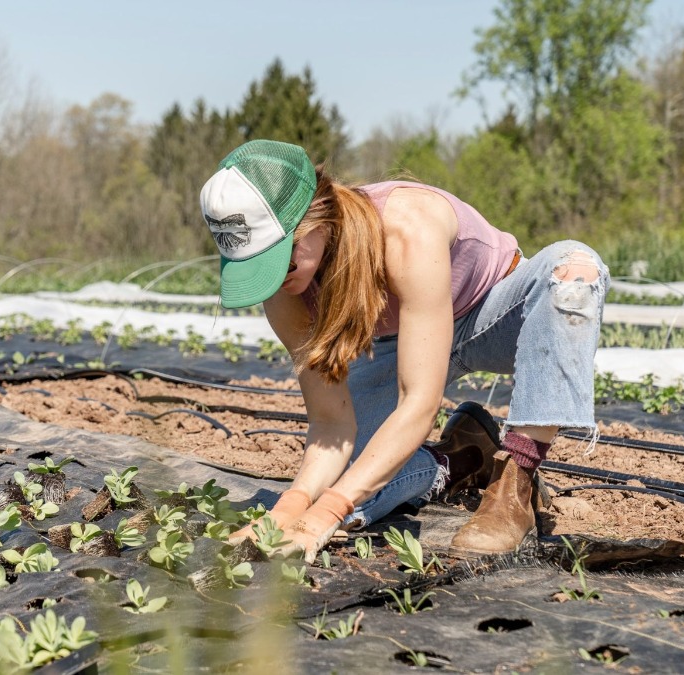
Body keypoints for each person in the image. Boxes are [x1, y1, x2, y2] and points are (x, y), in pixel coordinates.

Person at [200, 139, 609, 562]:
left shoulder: (405, 227)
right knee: (352, 480)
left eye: (279, 260)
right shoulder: (285, 290)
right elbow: (331, 424)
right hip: (404, 342)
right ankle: (459, 458)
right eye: (255, 268)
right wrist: (291, 507)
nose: (275, 280)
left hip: (495, 316)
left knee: (574, 270)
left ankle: (516, 481)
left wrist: (328, 511)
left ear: (315, 218)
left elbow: (419, 402)